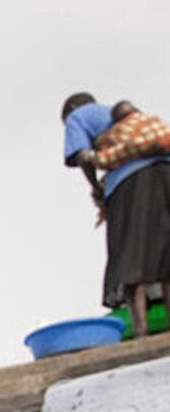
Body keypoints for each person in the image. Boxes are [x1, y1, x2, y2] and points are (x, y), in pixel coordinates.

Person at [62, 92, 170, 338]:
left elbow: (82, 157)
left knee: (130, 254)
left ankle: (141, 331)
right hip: (166, 170)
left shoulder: (77, 116)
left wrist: (96, 188)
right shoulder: (128, 117)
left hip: (132, 180)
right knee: (166, 252)